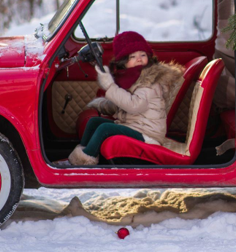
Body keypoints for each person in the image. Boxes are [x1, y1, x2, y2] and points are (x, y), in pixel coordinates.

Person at [66, 31, 183, 166]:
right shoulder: (132, 78)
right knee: (94, 122)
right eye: (133, 56)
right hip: (135, 126)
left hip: (148, 134)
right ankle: (83, 156)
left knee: (104, 128)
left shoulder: (150, 82)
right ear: (124, 63)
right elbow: (123, 103)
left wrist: (110, 86)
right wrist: (105, 104)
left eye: (143, 55)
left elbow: (134, 105)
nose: (139, 59)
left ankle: (84, 162)